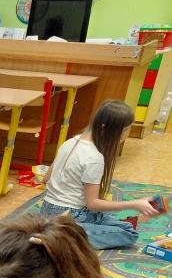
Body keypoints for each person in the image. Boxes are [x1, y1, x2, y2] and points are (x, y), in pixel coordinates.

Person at [41, 99, 158, 249]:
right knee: (129, 233)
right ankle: (60, 236)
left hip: (48, 209)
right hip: (70, 215)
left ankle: (57, 230)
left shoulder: (71, 142)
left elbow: (46, 178)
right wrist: (135, 204)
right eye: (125, 130)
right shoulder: (94, 157)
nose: (126, 135)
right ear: (107, 129)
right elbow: (93, 204)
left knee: (120, 223)